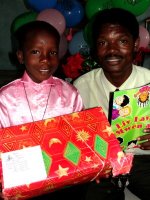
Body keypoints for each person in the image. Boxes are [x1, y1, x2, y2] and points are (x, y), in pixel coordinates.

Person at [0, 20, 86, 199]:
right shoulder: (5, 98)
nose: (45, 59)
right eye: (35, 51)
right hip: (23, 178)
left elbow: (80, 137)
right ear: (20, 56)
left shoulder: (70, 93)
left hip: (64, 176)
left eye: (52, 52)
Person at [74, 8, 150, 200]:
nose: (112, 50)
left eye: (122, 41)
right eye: (103, 42)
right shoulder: (81, 87)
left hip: (143, 160)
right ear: (94, 47)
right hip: (101, 165)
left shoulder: (149, 81)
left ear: (135, 44)